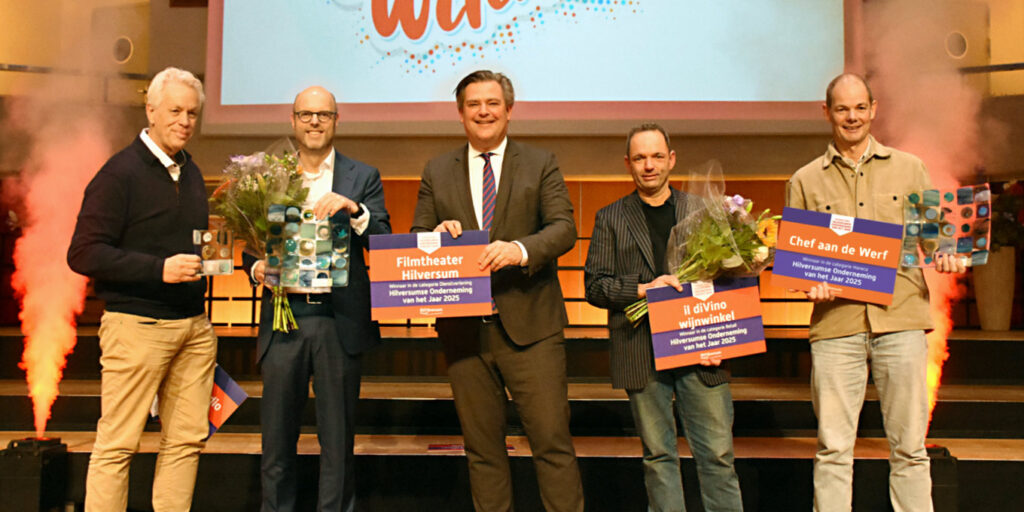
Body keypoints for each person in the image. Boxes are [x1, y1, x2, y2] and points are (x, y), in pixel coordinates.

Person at [787, 73, 965, 512]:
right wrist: (809, 283)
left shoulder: (910, 168)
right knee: (833, 450)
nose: (852, 117)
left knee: (910, 447)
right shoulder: (805, 180)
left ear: (874, 109)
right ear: (827, 112)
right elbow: (797, 261)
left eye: (860, 108)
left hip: (901, 320)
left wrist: (947, 253)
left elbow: (933, 237)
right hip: (836, 326)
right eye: (842, 109)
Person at [411, 70, 583, 511]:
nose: (483, 112)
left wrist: (520, 250)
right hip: (464, 334)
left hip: (532, 329)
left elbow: (564, 228)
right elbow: (415, 237)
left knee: (552, 445)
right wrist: (434, 236)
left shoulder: (540, 162)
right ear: (460, 113)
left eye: (492, 103)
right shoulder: (436, 170)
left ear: (509, 110)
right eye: (473, 104)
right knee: (483, 451)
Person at [68, 66, 215, 511]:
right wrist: (158, 270)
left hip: (194, 329)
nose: (184, 121)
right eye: (175, 111)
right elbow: (83, 253)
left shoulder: (191, 171)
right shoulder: (119, 174)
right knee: (118, 444)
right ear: (150, 110)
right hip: (137, 327)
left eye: (192, 113)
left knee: (186, 442)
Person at [583, 123, 744, 512]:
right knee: (658, 457)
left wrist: (722, 337)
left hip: (700, 347)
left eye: (656, 156)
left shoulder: (705, 210)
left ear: (671, 160)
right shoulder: (610, 217)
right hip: (641, 348)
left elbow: (732, 280)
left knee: (718, 455)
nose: (649, 165)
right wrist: (644, 289)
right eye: (640, 158)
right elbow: (594, 286)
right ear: (628, 164)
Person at [247, 86, 391, 512]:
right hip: (284, 320)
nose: (314, 121)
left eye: (323, 114)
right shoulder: (268, 176)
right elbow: (250, 241)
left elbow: (383, 239)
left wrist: (356, 210)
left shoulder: (362, 177)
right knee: (276, 442)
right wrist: (256, 268)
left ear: (336, 120)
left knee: (338, 444)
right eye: (306, 114)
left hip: (337, 320)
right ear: (292, 120)